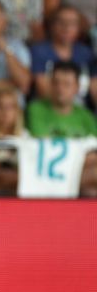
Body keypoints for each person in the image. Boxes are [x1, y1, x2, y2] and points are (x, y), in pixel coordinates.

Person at [26, 61, 97, 196]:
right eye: (56, 83)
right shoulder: (35, 109)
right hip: (42, 173)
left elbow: (93, 154)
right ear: (50, 84)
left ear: (77, 87)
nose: (60, 88)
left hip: (79, 171)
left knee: (92, 189)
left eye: (66, 84)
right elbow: (44, 146)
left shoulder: (87, 116)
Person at [30, 5, 94, 101]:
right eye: (61, 22)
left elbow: (94, 86)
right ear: (52, 25)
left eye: (72, 23)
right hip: (50, 106)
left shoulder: (86, 53)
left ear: (79, 27)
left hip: (82, 110)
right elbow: (42, 89)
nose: (67, 27)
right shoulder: (39, 51)